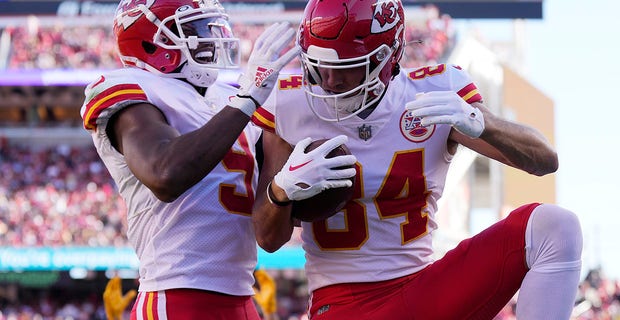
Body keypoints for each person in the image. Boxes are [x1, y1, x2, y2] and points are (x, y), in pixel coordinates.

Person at [250, 0, 583, 319]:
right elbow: (268, 239)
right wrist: (280, 192)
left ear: (388, 57)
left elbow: (544, 161)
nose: (330, 81)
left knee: (556, 227)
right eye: (319, 66)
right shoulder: (289, 103)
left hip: (423, 290)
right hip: (343, 304)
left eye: (347, 68)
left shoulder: (435, 91)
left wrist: (483, 124)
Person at [80, 0, 355, 319]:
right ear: (150, 41)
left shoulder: (228, 98)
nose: (212, 38)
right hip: (177, 293)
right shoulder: (132, 88)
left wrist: (286, 190)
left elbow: (271, 236)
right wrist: (247, 99)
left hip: (241, 295)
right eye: (196, 30)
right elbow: (164, 174)